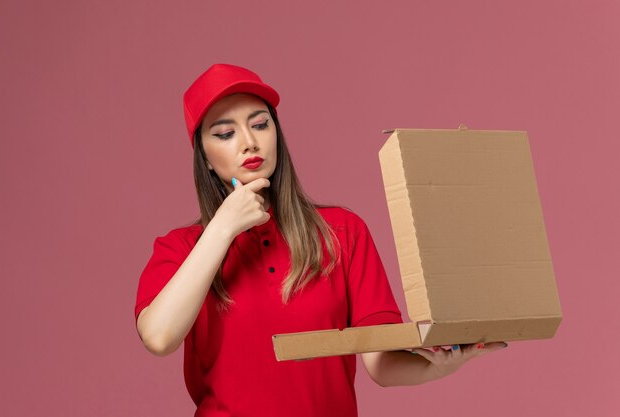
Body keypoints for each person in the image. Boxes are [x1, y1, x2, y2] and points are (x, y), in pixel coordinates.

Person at [134, 63, 507, 417]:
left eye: (260, 124)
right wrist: (222, 228)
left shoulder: (342, 232)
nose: (249, 142)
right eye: (225, 133)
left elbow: (381, 362)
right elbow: (159, 336)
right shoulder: (181, 248)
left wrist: (442, 366)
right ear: (205, 157)